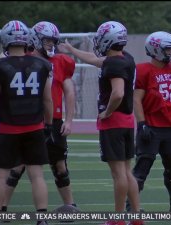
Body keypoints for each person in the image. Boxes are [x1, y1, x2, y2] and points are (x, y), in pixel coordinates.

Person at [59, 21, 144, 225]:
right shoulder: (125, 58)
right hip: (125, 121)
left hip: (114, 122)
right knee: (126, 171)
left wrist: (106, 111)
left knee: (118, 174)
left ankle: (118, 219)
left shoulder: (115, 63)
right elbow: (96, 60)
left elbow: (118, 93)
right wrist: (72, 49)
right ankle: (136, 217)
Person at [1, 21, 79, 213]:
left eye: (53, 41)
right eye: (47, 41)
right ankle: (1, 208)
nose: (51, 44)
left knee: (60, 165)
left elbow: (69, 92)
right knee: (17, 166)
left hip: (55, 120)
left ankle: (70, 206)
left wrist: (69, 120)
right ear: (35, 39)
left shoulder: (62, 62)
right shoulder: (23, 59)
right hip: (29, 119)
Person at [0, 20, 53, 225]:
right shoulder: (42, 65)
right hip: (34, 128)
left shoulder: (0, 67)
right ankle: (42, 218)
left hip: (8, 129)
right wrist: (48, 125)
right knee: (37, 175)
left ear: (5, 40)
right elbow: (48, 100)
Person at [132, 31, 171, 212]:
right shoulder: (143, 70)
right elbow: (136, 99)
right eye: (167, 50)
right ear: (155, 49)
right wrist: (142, 123)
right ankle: (131, 206)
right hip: (151, 126)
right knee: (142, 169)